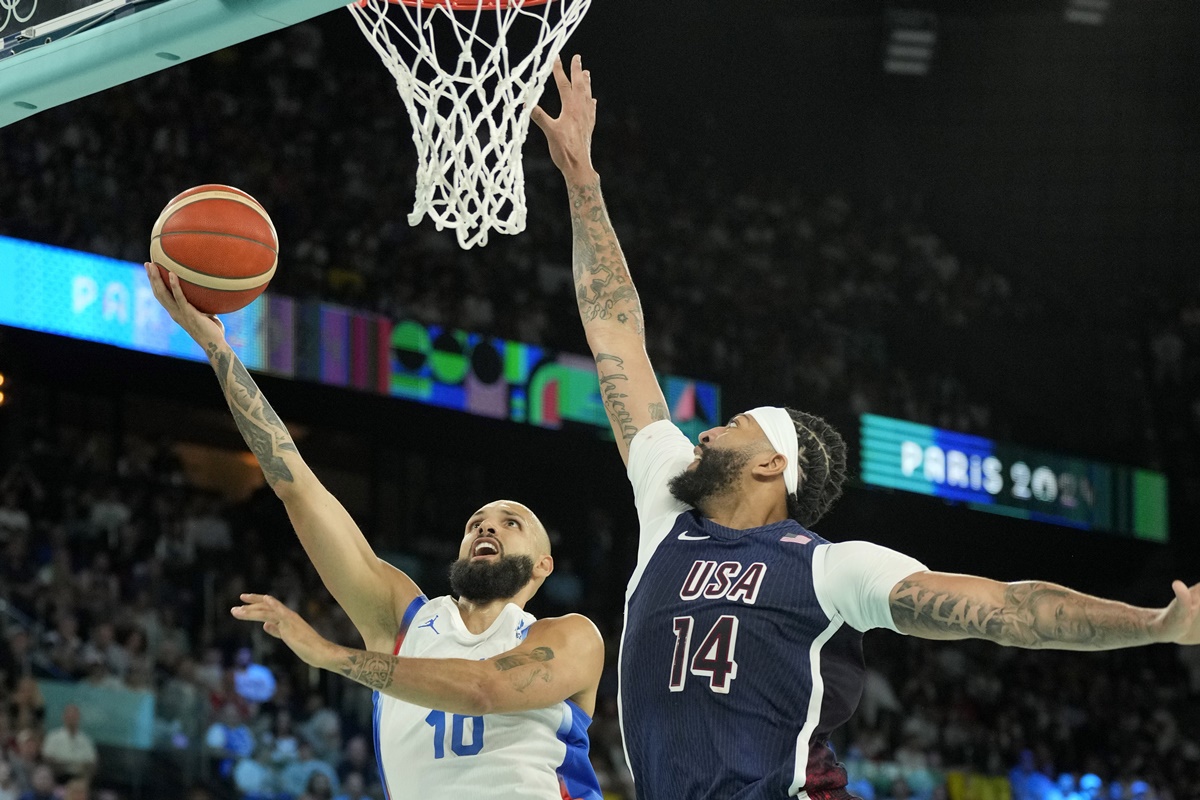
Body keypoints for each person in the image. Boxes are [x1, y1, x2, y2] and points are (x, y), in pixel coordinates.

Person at [531, 54, 1200, 800]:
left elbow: (1010, 610)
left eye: (735, 425)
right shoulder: (666, 504)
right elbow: (617, 334)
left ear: (770, 467)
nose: (708, 433)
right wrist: (582, 179)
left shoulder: (828, 568)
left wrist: (1155, 625)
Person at [144, 264, 605, 800]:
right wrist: (218, 351)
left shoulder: (571, 637)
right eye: (476, 522)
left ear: (544, 565)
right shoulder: (405, 620)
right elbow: (297, 485)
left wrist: (333, 656)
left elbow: (485, 689)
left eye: (511, 522)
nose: (487, 526)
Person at [40, 705, 97, 783]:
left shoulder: (86, 740)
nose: (71, 719)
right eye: (69, 716)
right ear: (64, 717)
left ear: (78, 718)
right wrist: (71, 765)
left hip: (79, 780)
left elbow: (91, 763)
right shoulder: (53, 737)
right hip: (57, 778)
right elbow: (47, 759)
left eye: (74, 716)